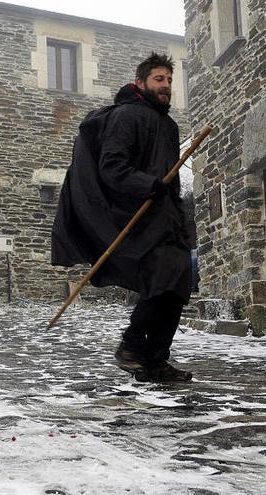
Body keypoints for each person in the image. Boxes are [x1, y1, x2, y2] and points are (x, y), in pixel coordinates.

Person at [52, 52, 193, 382]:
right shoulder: (126, 116)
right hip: (138, 218)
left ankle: (154, 361)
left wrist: (176, 213)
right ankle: (131, 348)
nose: (166, 86)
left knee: (176, 286)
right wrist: (149, 185)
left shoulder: (168, 126)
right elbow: (112, 167)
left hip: (166, 218)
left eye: (170, 80)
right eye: (159, 79)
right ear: (141, 82)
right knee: (163, 281)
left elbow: (169, 182)